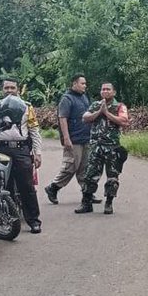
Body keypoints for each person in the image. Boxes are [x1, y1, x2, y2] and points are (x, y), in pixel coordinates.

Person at [0, 77, 43, 234]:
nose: (9, 91)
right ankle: (6, 220)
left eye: (12, 88)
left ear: (18, 89)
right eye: (6, 88)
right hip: (0, 150)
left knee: (27, 186)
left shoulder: (26, 107)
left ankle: (34, 221)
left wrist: (37, 153)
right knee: (3, 186)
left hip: (21, 149)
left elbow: (34, 131)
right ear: (2, 90)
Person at [76, 82, 130, 215]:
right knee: (90, 175)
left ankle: (109, 203)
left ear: (114, 92)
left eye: (108, 89)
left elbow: (124, 121)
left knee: (112, 177)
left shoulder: (119, 106)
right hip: (95, 146)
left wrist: (106, 113)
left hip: (112, 146)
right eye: (103, 89)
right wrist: (99, 111)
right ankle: (86, 203)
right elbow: (85, 118)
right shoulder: (96, 105)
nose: (105, 91)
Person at [45, 74, 92, 205]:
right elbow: (62, 118)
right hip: (73, 138)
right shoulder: (67, 99)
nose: (85, 86)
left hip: (85, 137)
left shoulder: (84, 97)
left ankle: (87, 193)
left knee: (84, 168)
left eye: (85, 83)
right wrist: (66, 138)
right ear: (74, 84)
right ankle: (53, 187)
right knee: (71, 166)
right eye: (82, 83)